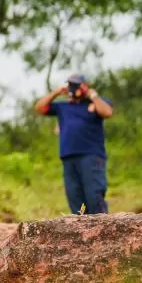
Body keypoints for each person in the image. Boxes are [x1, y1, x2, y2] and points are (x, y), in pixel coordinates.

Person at [35, 73, 114, 215]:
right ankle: (81, 231)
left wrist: (93, 96)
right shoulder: (62, 107)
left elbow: (107, 112)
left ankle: (104, 231)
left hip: (91, 156)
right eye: (71, 84)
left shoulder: (96, 103)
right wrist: (57, 92)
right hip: (68, 157)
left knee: (93, 195)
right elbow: (40, 107)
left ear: (84, 86)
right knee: (75, 198)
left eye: (77, 84)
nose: (73, 88)